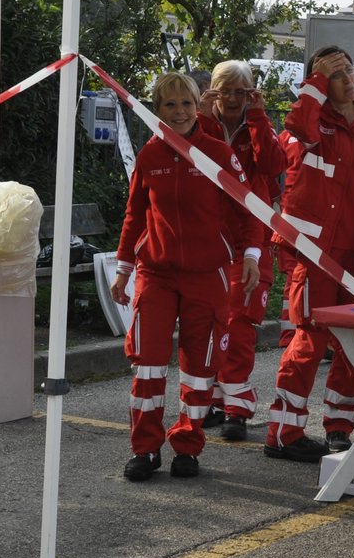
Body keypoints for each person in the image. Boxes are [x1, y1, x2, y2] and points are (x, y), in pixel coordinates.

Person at [110, 72, 263, 481]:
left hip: (206, 277)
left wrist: (250, 254)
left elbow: (247, 209)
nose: (178, 112)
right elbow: (134, 216)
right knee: (147, 368)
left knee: (199, 370)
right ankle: (144, 450)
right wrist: (124, 269)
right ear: (156, 109)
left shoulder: (218, 153)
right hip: (155, 276)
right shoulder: (149, 156)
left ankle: (187, 447)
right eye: (169, 105)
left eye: (185, 104)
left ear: (199, 106)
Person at [264, 46, 354, 463]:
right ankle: (284, 431)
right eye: (335, 75)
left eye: (349, 70)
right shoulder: (308, 124)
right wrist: (313, 84)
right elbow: (294, 133)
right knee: (307, 340)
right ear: (318, 85)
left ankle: (339, 430)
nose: (347, 80)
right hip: (315, 256)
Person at [197, 60, 288, 441]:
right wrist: (202, 117)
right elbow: (189, 158)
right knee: (209, 322)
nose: (232, 99)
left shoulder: (259, 125)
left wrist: (258, 117)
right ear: (211, 92)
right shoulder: (198, 122)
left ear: (252, 94)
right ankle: (215, 402)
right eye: (224, 90)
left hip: (250, 239)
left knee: (240, 321)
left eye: (241, 91)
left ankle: (237, 406)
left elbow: (273, 164)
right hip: (207, 238)